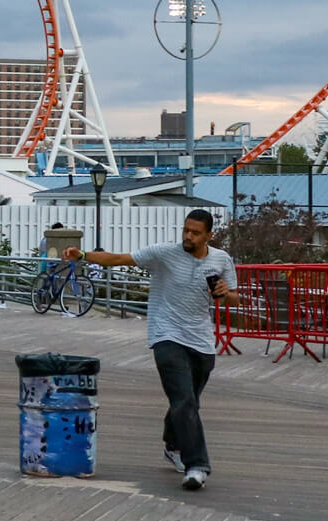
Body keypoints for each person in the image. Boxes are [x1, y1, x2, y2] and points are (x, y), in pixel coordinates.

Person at [66, 209, 237, 491]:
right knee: (184, 400)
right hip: (166, 335)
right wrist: (82, 256)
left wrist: (224, 293)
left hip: (202, 341)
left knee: (188, 401)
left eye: (195, 232)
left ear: (208, 235)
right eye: (186, 230)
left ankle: (172, 444)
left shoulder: (221, 259)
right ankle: (197, 465)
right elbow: (119, 258)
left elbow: (233, 297)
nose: (188, 236)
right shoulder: (164, 254)